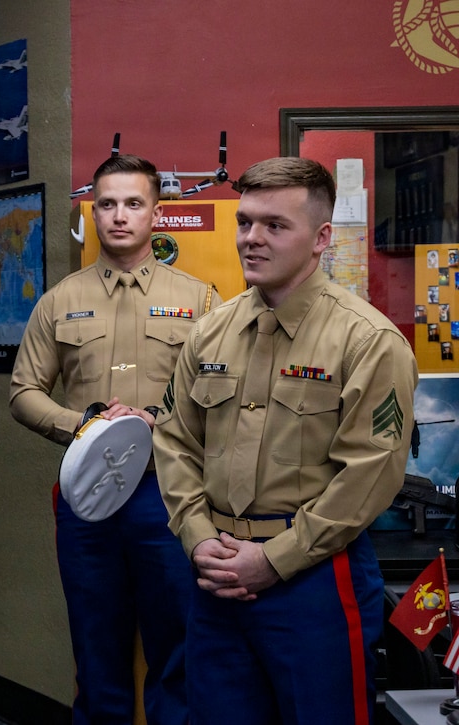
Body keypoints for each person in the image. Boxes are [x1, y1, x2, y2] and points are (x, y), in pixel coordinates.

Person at [153, 156, 417, 724]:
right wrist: (198, 538)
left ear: (321, 238)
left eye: (275, 225)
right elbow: (174, 442)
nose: (252, 238)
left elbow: (369, 475)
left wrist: (275, 560)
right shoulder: (210, 331)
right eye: (245, 222)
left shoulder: (367, 340)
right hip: (217, 575)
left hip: (315, 579)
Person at [10, 154, 219, 724]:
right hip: (88, 497)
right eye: (106, 204)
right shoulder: (59, 300)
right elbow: (23, 392)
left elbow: (220, 395)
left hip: (168, 496)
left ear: (157, 213)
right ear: (93, 212)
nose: (119, 215)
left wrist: (158, 422)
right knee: (96, 647)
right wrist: (84, 426)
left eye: (133, 203)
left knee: (178, 647)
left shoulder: (201, 300)